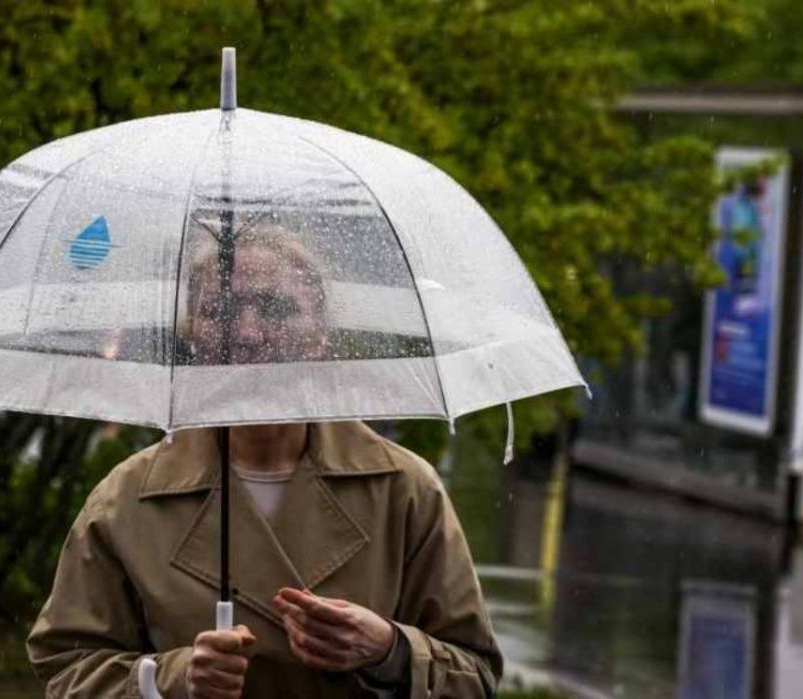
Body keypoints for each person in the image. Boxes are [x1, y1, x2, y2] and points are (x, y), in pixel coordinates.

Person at [26, 224, 503, 698]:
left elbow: (476, 676)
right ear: (192, 334)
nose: (250, 334)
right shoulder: (126, 501)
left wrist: (389, 651)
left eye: (277, 308)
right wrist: (168, 681)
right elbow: (68, 669)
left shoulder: (404, 491)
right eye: (222, 311)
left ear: (320, 334)